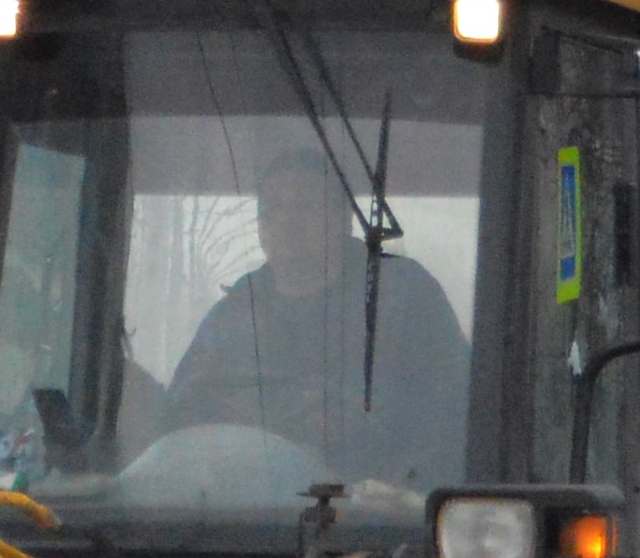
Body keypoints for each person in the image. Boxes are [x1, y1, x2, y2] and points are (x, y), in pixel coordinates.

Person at [155, 147, 467, 483]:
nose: (287, 222)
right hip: (245, 511)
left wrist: (359, 435)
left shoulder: (403, 297)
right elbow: (178, 423)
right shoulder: (232, 317)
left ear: (343, 218)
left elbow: (455, 416)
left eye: (305, 206)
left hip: (374, 516)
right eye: (272, 210)